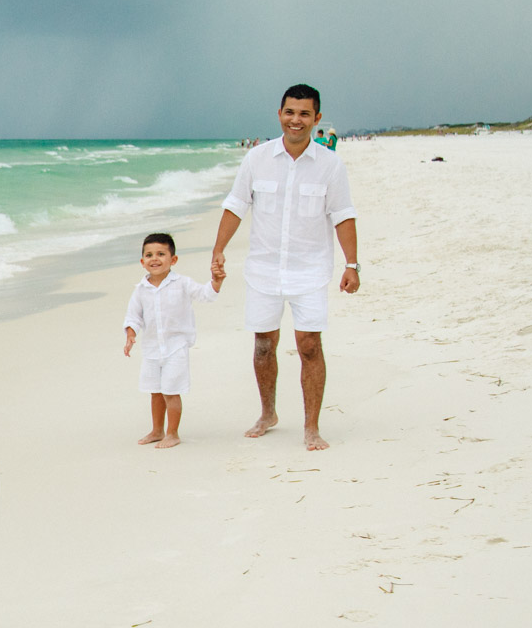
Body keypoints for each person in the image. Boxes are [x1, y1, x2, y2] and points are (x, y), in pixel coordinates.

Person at [209, 84, 360, 451]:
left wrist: (352, 264)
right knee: (263, 345)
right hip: (263, 269)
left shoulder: (330, 165)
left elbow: (343, 215)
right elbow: (236, 205)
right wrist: (218, 249)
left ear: (316, 119)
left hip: (310, 270)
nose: (296, 120)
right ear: (279, 114)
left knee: (309, 345)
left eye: (305, 114)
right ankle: (268, 413)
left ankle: (311, 427)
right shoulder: (256, 159)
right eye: (290, 112)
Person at [124, 232, 223, 449]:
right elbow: (134, 316)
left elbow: (206, 295)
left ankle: (173, 433)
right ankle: (157, 430)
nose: (155, 259)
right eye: (149, 255)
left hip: (175, 348)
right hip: (151, 349)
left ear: (173, 259)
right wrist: (131, 334)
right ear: (142, 262)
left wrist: (216, 281)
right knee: (155, 391)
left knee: (170, 390)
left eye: (161, 254)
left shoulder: (183, 284)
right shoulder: (140, 290)